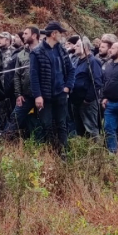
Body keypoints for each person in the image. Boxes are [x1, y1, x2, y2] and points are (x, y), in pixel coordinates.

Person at [29, 21, 74, 152]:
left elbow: (71, 70)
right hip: (45, 96)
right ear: (54, 34)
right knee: (46, 124)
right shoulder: (37, 52)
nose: (61, 36)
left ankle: (63, 151)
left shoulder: (62, 50)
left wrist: (67, 87)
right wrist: (38, 96)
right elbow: (34, 76)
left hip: (61, 94)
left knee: (62, 124)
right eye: (60, 33)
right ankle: (49, 152)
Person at [70, 37, 102, 139]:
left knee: (91, 128)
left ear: (86, 47)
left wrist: (88, 99)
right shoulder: (76, 61)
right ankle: (83, 151)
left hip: (87, 102)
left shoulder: (92, 61)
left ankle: (97, 152)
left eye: (78, 45)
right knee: (79, 129)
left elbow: (97, 82)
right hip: (76, 100)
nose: (74, 47)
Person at [13, 26, 39, 138]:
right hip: (26, 96)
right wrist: (18, 94)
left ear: (34, 36)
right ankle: (5, 142)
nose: (23, 36)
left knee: (42, 122)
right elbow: (17, 76)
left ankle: (42, 146)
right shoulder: (21, 54)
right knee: (15, 118)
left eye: (25, 33)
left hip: (42, 96)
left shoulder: (44, 51)